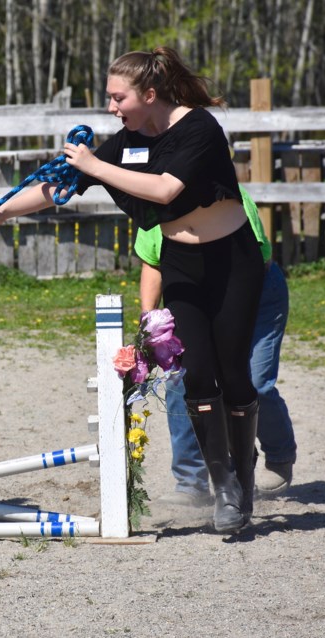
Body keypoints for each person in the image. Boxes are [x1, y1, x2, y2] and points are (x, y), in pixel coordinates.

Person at [0, 46, 263, 533]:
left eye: (117, 97)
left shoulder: (199, 128)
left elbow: (166, 190)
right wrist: (1, 213)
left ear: (149, 94)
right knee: (196, 376)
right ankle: (224, 488)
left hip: (233, 262)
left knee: (234, 374)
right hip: (180, 263)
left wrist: (93, 164)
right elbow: (62, 186)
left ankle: (245, 476)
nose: (110, 107)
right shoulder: (128, 139)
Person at [134, 185, 297, 509]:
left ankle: (278, 457)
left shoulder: (230, 198)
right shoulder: (155, 205)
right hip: (195, 295)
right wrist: (150, 323)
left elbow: (252, 262)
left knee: (253, 380)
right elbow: (153, 261)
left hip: (256, 291)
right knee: (184, 380)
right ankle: (190, 480)